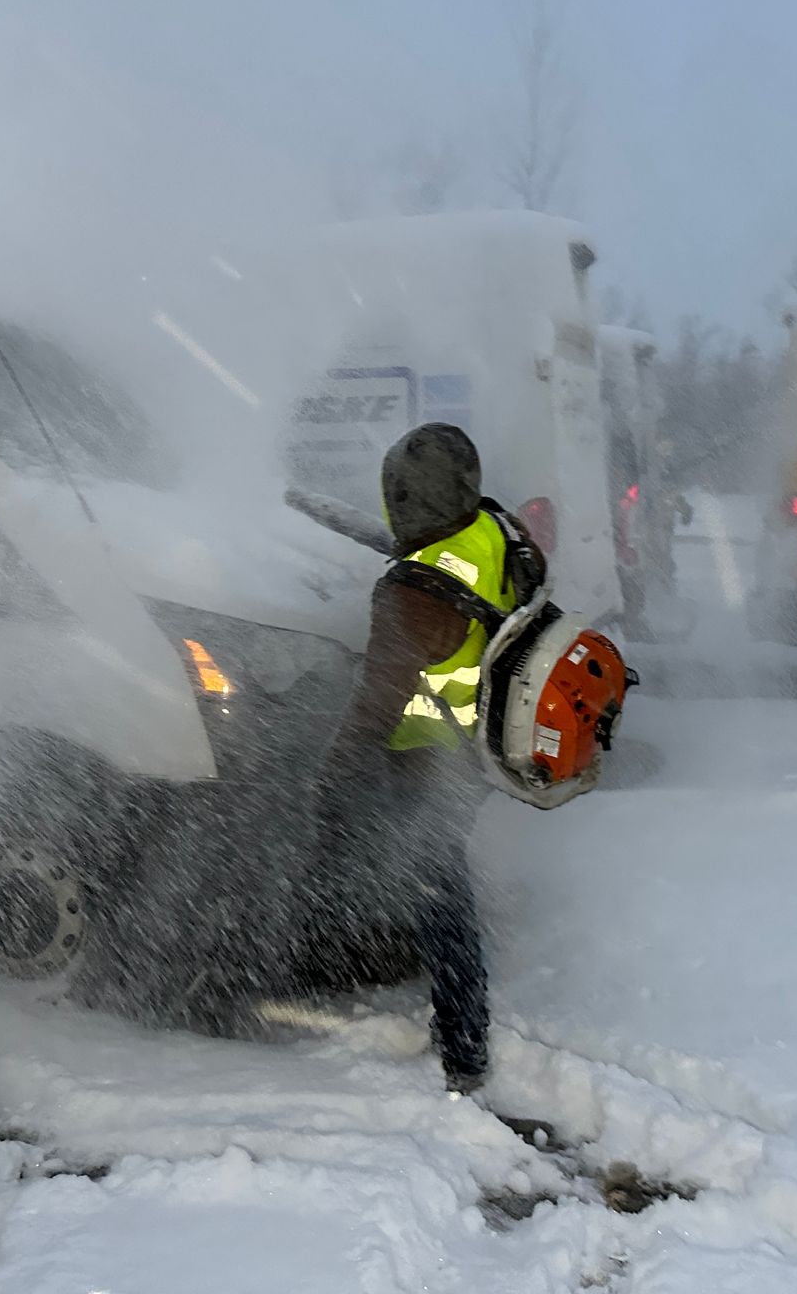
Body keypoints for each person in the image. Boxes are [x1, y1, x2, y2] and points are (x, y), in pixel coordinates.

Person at [304, 423, 542, 1095]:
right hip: (484, 743)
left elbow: (378, 703)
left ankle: (464, 1045)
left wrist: (331, 779)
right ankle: (452, 1017)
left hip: (431, 756)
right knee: (437, 882)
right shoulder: (497, 530)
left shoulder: (412, 592)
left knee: (440, 895)